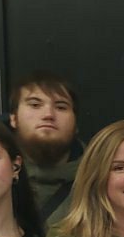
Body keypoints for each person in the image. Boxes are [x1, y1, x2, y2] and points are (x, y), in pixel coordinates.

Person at [6, 71, 82, 221]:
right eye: (35, 105)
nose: (48, 114)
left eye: (61, 107)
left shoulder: (100, 180)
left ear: (75, 124)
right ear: (13, 119)